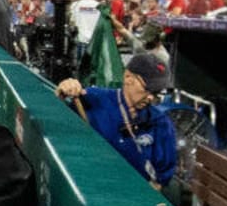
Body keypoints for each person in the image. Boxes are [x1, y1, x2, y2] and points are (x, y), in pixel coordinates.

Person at [54, 53, 177, 190]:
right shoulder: (94, 100)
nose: (150, 97)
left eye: (156, 92)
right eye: (147, 89)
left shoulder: (160, 123)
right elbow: (56, 124)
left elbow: (161, 178)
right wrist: (64, 90)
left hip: (133, 198)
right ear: (128, 77)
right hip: (92, 190)